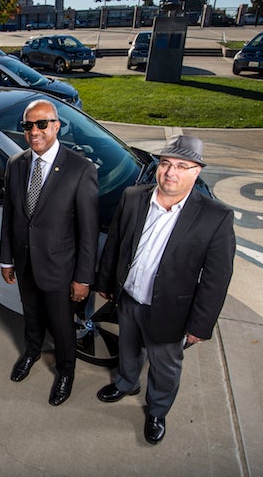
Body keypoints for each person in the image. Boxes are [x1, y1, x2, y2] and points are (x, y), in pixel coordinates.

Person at [94, 135, 236, 444]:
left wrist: (200, 325)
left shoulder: (215, 217)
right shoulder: (133, 197)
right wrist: (106, 282)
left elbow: (216, 278)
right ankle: (126, 382)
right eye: (166, 163)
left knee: (164, 365)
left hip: (171, 310)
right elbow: (116, 243)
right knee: (128, 347)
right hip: (129, 298)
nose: (171, 172)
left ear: (196, 171)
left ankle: (157, 410)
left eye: (182, 166)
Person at [0, 99, 99, 406]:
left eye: (42, 124)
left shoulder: (80, 170)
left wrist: (83, 278)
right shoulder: (16, 164)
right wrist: (6, 258)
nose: (34, 131)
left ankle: (66, 371)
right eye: (28, 125)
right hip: (25, 262)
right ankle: (31, 353)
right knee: (31, 316)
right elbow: (10, 216)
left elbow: (88, 232)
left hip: (60, 269)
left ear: (56, 126)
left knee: (61, 325)